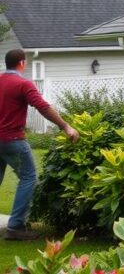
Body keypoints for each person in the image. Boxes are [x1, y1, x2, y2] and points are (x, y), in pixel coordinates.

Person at [0, 49, 79, 240]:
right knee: (28, 177)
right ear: (21, 63)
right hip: (12, 141)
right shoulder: (22, 83)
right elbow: (42, 106)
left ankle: (15, 226)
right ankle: (15, 227)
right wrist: (65, 126)